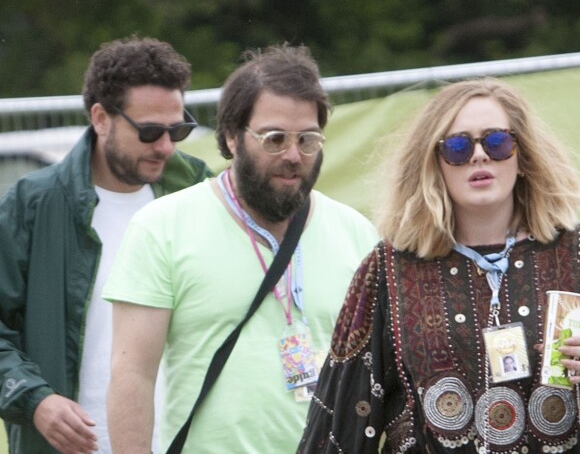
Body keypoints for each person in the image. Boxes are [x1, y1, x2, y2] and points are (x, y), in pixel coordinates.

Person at [103, 43, 379, 453]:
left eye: (308, 139)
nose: (292, 155)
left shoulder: (357, 233)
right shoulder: (163, 227)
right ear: (232, 137)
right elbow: (133, 375)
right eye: (273, 139)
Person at [298, 77, 580, 453]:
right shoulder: (387, 269)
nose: (479, 156)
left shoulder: (573, 253)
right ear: (434, 164)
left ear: (523, 156)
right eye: (458, 147)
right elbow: (343, 418)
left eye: (497, 142)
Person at [0, 36, 213, 454]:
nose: (166, 146)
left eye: (178, 129)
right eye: (150, 131)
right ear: (100, 118)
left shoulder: (202, 193)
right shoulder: (32, 206)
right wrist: (35, 398)